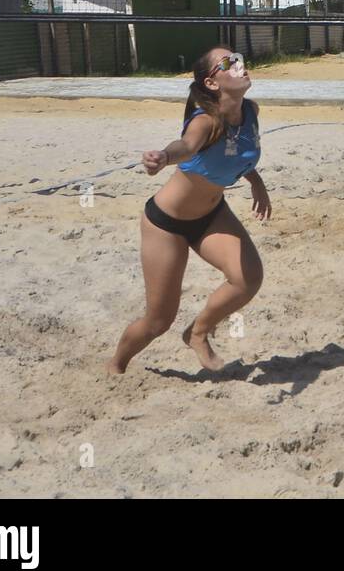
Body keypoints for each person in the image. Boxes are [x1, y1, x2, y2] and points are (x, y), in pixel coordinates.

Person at [108, 46, 271, 374]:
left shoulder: (250, 111)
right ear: (212, 83)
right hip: (166, 224)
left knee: (247, 278)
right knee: (157, 322)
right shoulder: (205, 121)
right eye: (228, 62)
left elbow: (238, 153)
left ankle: (197, 333)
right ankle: (116, 366)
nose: (239, 64)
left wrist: (255, 181)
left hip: (211, 216)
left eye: (238, 57)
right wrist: (164, 158)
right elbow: (186, 146)